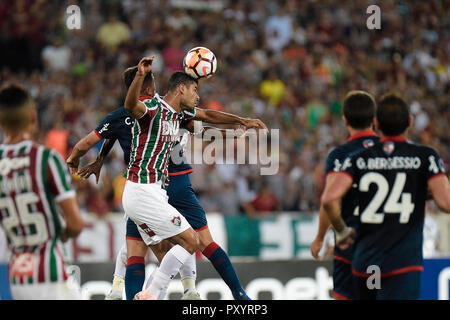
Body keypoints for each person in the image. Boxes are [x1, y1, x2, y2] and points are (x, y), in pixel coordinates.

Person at [67, 57, 266, 300]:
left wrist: (238, 124)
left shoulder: (174, 115)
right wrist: (141, 75)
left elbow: (205, 119)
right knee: (189, 242)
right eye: (194, 89)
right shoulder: (151, 110)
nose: (197, 95)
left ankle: (127, 288)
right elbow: (131, 108)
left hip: (154, 189)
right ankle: (167, 291)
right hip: (147, 188)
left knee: (150, 250)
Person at [321, 93, 450, 300]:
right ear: (410, 121)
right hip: (403, 264)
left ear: (377, 123)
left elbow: (328, 199)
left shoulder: (359, 159)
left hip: (368, 263)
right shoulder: (425, 157)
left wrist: (342, 232)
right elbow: (446, 203)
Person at [0, 84, 84, 299]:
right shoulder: (45, 158)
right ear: (33, 116)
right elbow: (75, 224)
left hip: (17, 277)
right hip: (51, 275)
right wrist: (61, 236)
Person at [310, 90, 378, 300]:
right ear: (374, 119)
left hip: (349, 242)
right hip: (383, 243)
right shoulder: (389, 151)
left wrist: (320, 237)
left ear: (345, 119)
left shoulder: (340, 155)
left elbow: (329, 201)